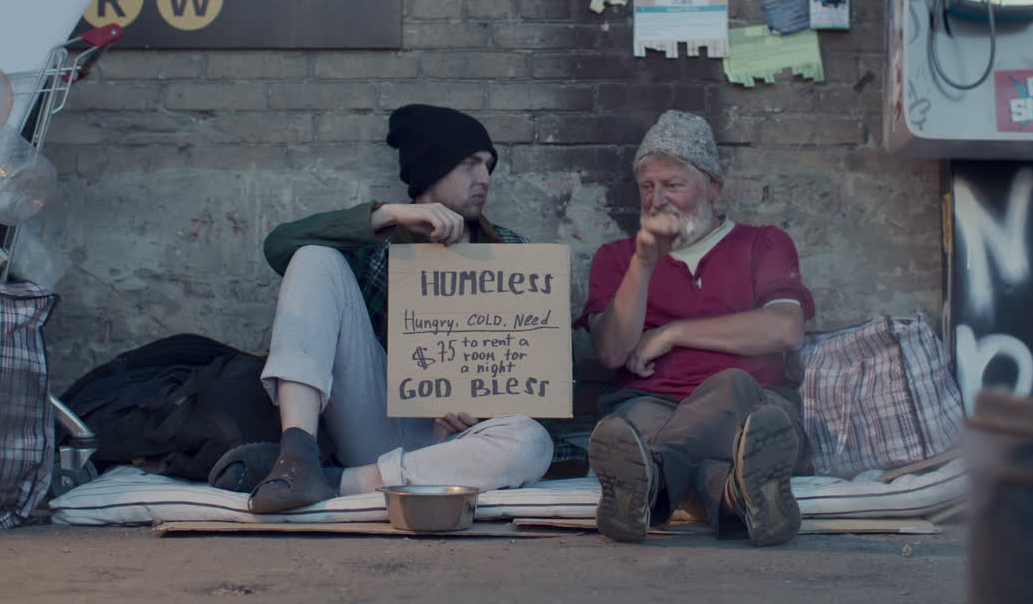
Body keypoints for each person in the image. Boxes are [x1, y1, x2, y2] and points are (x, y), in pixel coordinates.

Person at [210, 104, 553, 514]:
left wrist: (490, 405)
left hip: (462, 443)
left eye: (489, 167)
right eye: (469, 164)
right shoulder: (375, 244)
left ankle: (336, 482)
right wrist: (387, 214)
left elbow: (542, 378)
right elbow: (279, 245)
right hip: (380, 420)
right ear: (431, 169)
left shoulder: (512, 251)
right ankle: (297, 456)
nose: (485, 178)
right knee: (313, 258)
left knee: (533, 442)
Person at [576, 110, 815, 546]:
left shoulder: (763, 243)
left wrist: (672, 333)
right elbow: (611, 352)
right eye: (647, 187)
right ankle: (734, 493)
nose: (657, 200)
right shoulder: (617, 258)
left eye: (673, 185)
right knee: (634, 436)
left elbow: (785, 329)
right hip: (650, 403)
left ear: (714, 187)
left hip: (752, 407)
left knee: (731, 386)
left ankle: (652, 484)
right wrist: (644, 264)